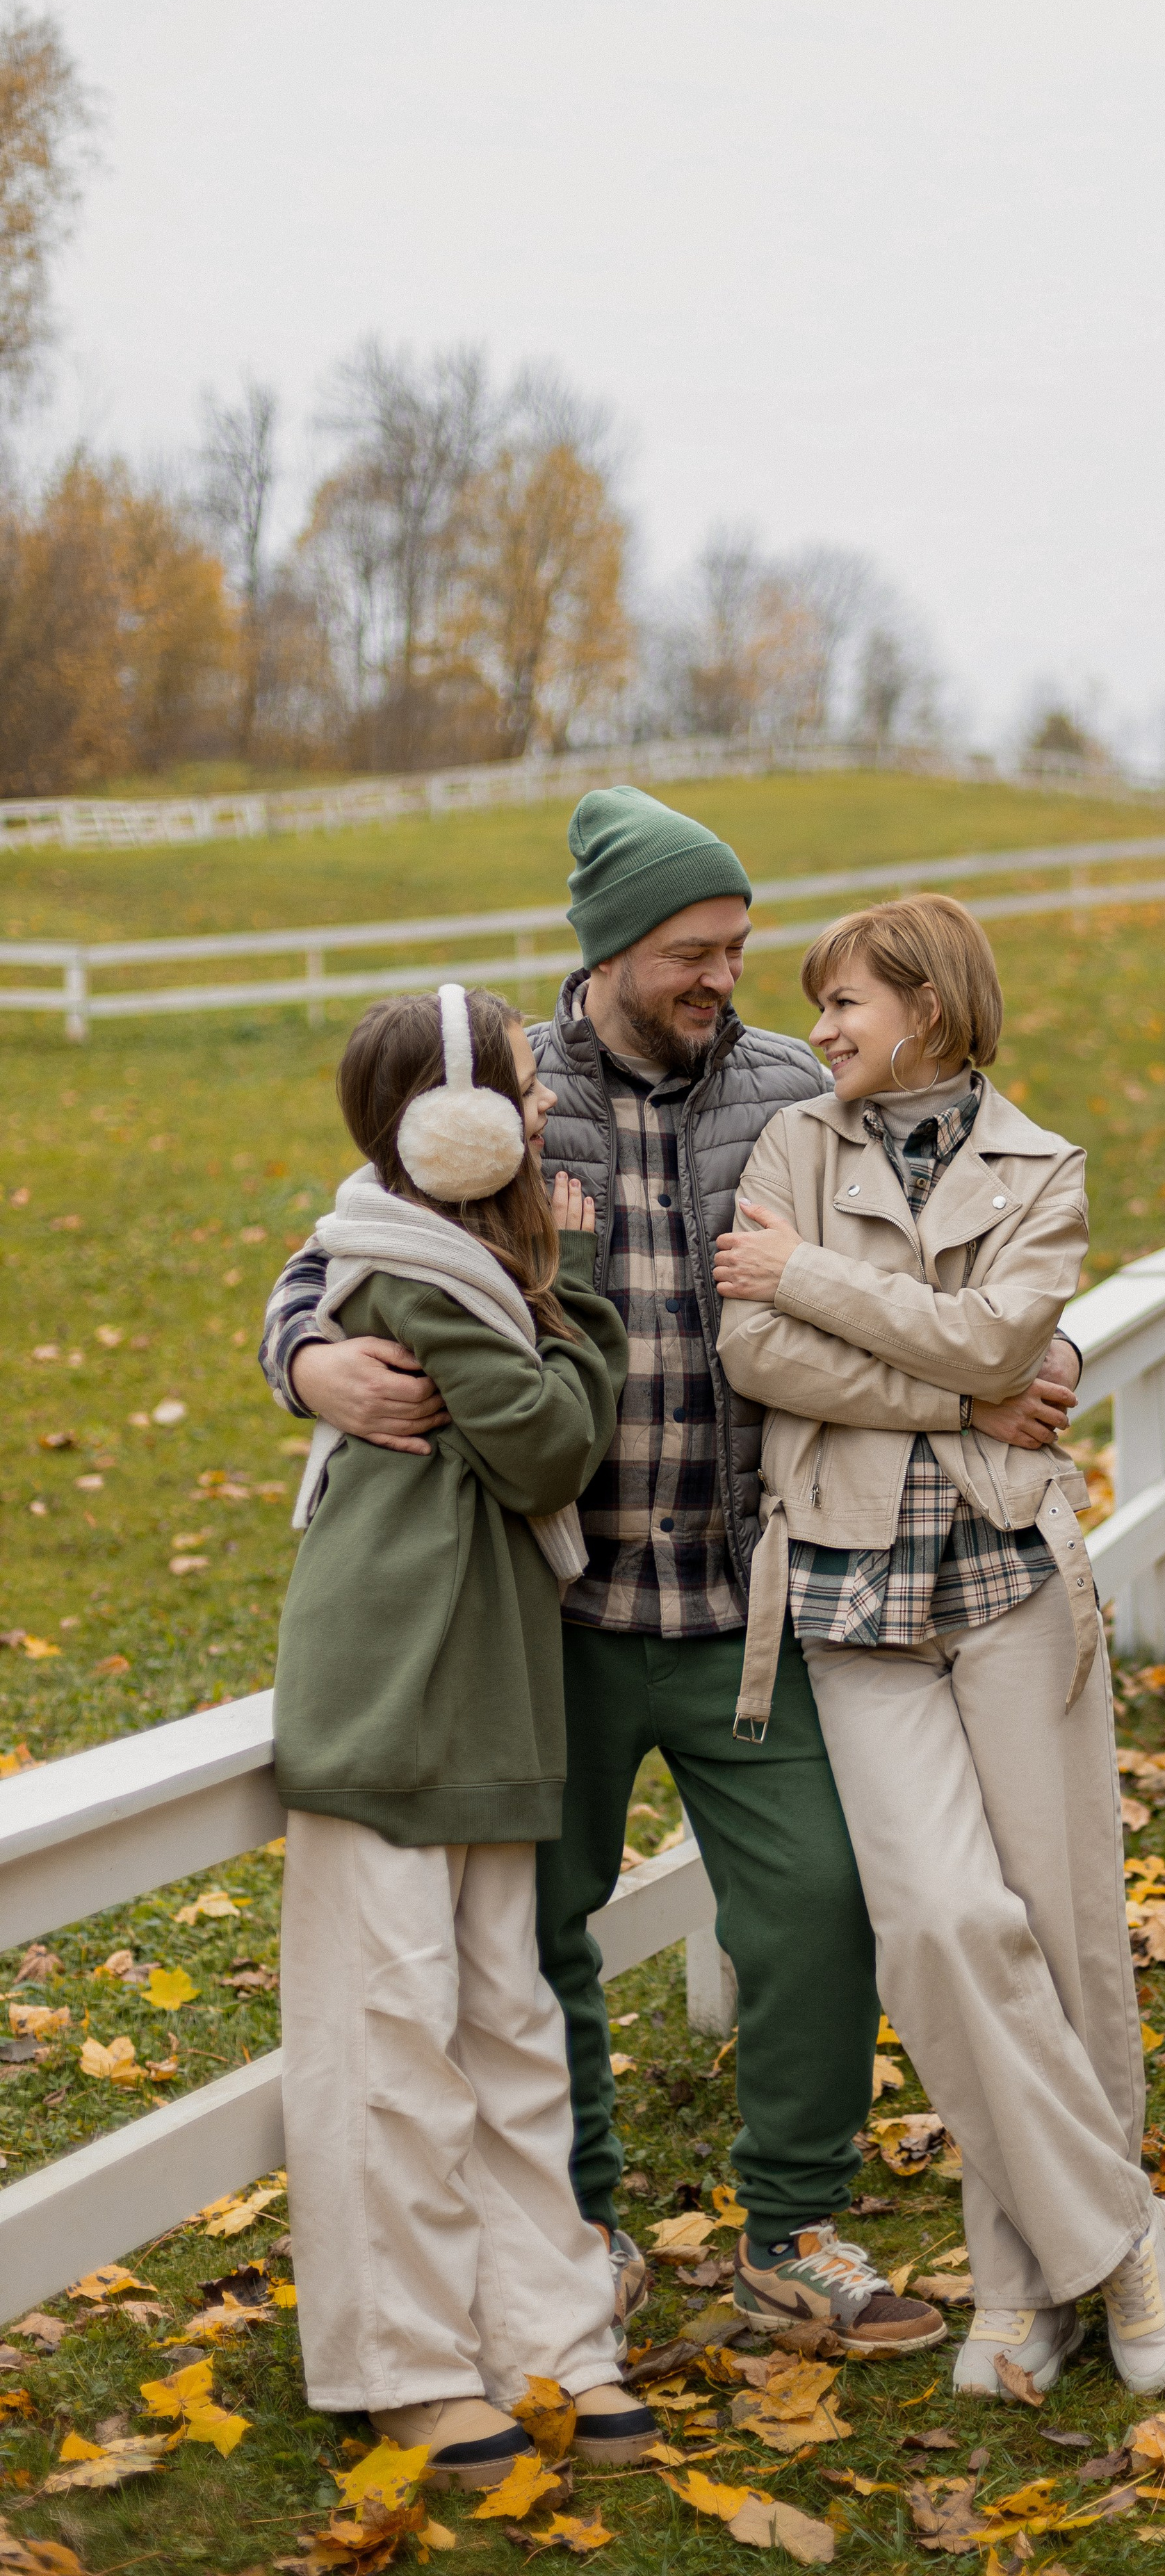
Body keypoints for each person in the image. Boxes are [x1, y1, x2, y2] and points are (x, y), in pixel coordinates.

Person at [261, 786, 1078, 2351]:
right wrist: (306, 1361)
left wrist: (1043, 1358)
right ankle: (579, 2233)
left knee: (819, 1903)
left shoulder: (793, 1091)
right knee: (536, 1930)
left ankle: (794, 2232)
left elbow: (961, 1246)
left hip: (752, 1602)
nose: (725, 975)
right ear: (613, 948)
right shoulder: (505, 1096)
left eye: (737, 945)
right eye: (695, 950)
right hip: (552, 1613)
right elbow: (338, 1249)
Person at [713, 894, 1165, 2401]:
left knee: (1058, 1933)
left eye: (845, 1002)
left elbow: (1006, 1342)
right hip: (846, 1590)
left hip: (1010, 1578)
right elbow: (756, 1352)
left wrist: (815, 1280)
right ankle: (1123, 2238)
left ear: (926, 1006)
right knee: (937, 1923)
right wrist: (954, 1393)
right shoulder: (790, 1146)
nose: (820, 1029)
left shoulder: (1040, 1166)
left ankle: (1020, 2287)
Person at [273, 982, 658, 2486]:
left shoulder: (471, 1267)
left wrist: (548, 1285)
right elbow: (551, 1447)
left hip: (487, 1688)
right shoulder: (415, 1275)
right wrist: (586, 1298)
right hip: (394, 1694)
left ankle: (550, 2340)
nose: (543, 1105)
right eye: (517, 1087)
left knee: (509, 2034)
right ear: (451, 1128)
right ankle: (411, 2367)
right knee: (392, 2044)